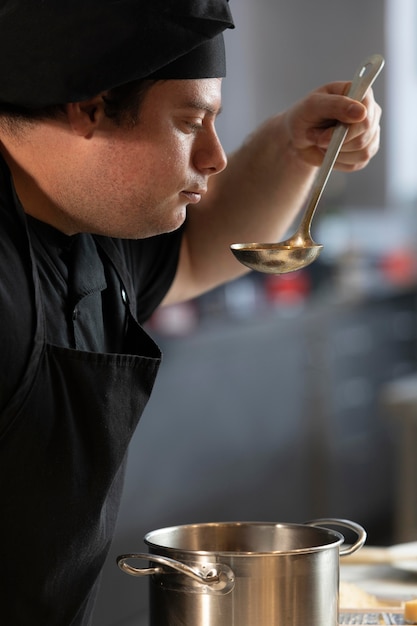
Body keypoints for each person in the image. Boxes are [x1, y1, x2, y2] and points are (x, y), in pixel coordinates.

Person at [0, 1, 381, 624]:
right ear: (90, 107)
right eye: (190, 122)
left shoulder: (91, 224)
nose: (214, 157)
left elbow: (201, 251)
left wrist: (294, 146)